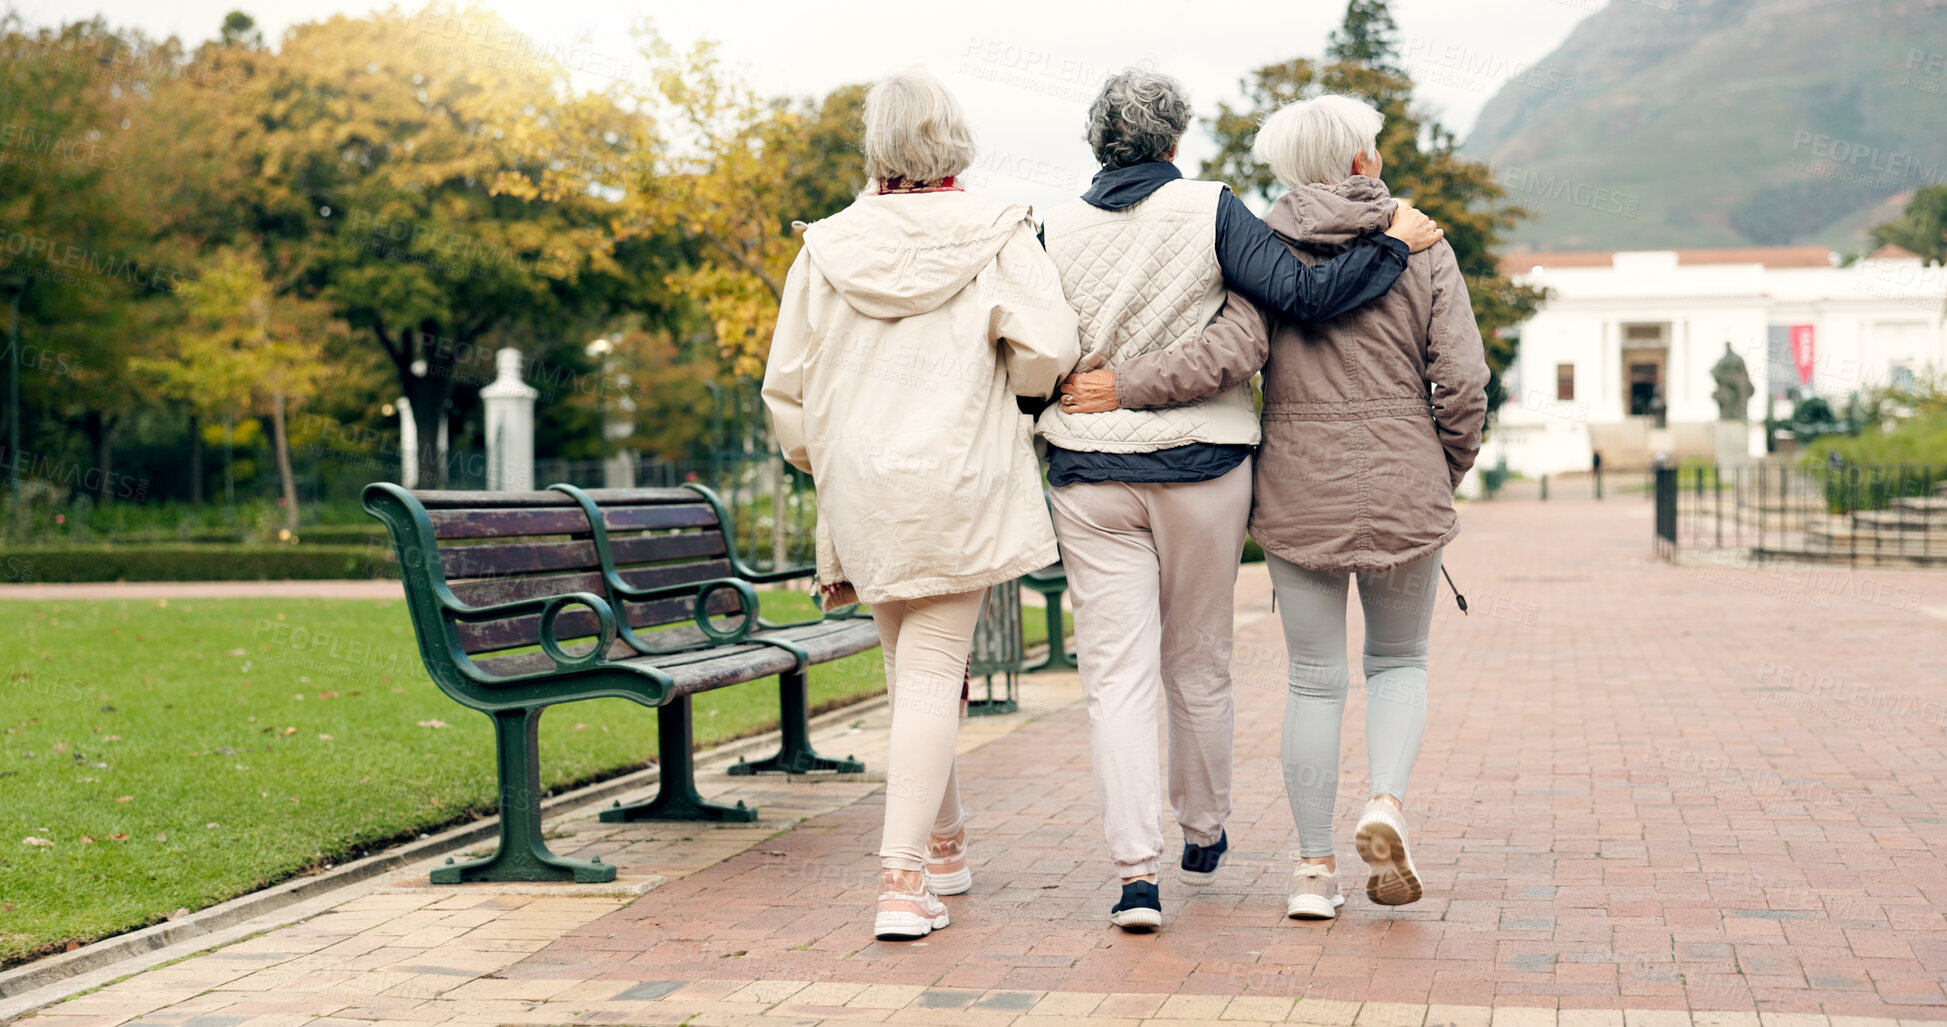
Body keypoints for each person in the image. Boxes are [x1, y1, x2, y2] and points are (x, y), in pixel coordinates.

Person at [1058, 93, 1489, 921]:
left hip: (1296, 484)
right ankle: (1387, 803)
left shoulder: (1260, 243)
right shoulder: (1422, 238)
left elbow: (1228, 351)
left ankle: (1313, 871)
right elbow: (1461, 381)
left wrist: (1122, 384)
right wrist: (1445, 468)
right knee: (1398, 663)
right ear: (1363, 159)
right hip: (1407, 477)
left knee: (1315, 680)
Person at [761, 68, 1081, 941]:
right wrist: (1013, 387)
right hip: (956, 471)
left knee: (912, 670)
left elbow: (785, 388)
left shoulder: (823, 246)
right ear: (953, 138)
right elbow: (1049, 348)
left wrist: (821, 459)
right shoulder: (998, 231)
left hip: (863, 483)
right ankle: (902, 880)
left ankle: (944, 846)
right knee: (937, 670)